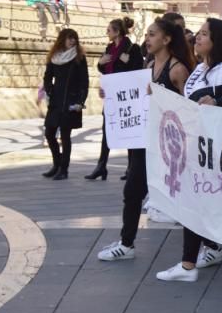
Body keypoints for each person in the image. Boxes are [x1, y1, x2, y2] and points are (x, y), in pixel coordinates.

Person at [155, 18, 222, 282]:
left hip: (215, 151)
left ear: (217, 41)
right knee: (196, 206)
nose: (198, 38)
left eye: (204, 34)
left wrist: (217, 101)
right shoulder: (200, 69)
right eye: (198, 33)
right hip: (197, 149)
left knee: (221, 208)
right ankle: (188, 265)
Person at [97, 19, 192, 261]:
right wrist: (111, 93)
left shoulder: (178, 69)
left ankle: (209, 247)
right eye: (147, 35)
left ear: (167, 39)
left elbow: (189, 109)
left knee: (186, 198)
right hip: (145, 141)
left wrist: (160, 96)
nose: (147, 39)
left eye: (152, 34)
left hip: (170, 146)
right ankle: (126, 243)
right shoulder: (148, 65)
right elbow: (133, 94)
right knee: (132, 191)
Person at [86, 17, 142, 180]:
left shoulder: (133, 49)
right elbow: (105, 69)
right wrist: (100, 63)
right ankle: (101, 166)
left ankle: (131, 168)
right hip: (111, 96)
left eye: (109, 30)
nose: (107, 32)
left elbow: (137, 71)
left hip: (126, 98)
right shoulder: (109, 48)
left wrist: (128, 61)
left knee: (128, 131)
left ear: (117, 32)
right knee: (107, 130)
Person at [41, 28, 88, 181]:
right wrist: (49, 90)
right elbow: (47, 77)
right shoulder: (54, 57)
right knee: (49, 133)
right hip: (56, 101)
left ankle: (64, 169)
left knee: (65, 136)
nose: (72, 41)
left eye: (74, 38)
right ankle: (57, 163)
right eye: (69, 38)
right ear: (62, 39)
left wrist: (81, 100)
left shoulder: (79, 58)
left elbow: (84, 81)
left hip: (71, 101)